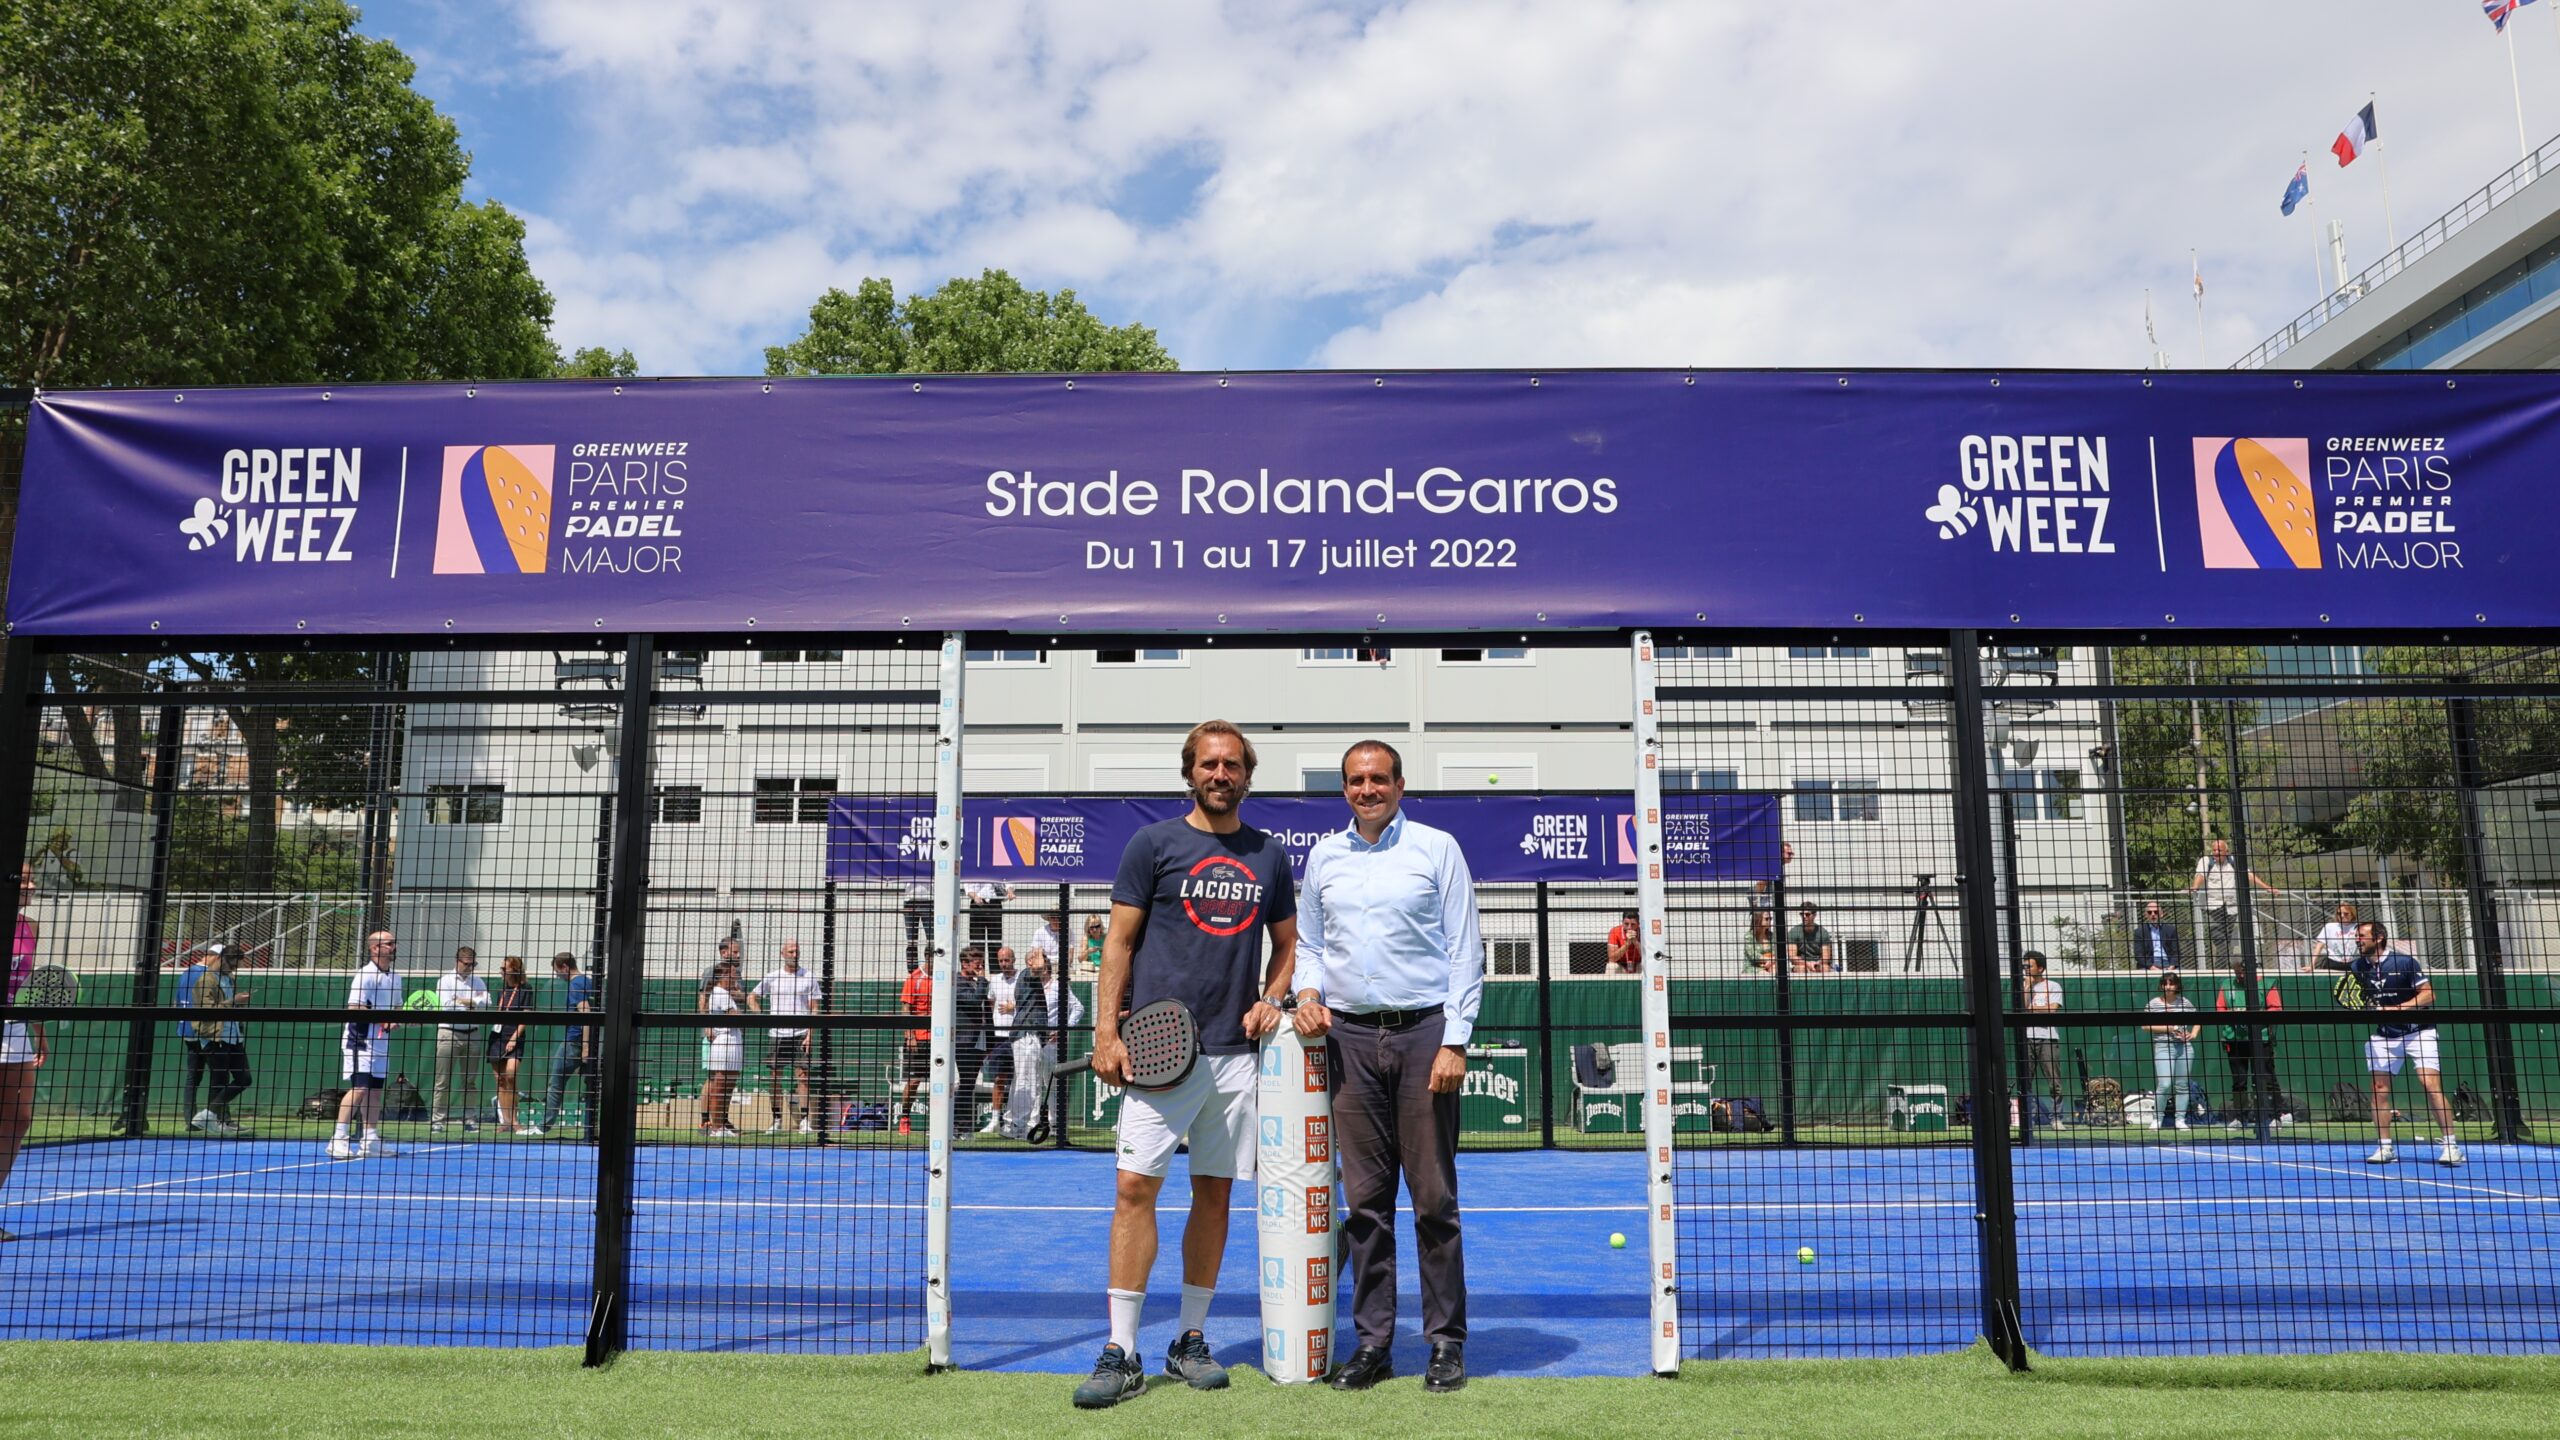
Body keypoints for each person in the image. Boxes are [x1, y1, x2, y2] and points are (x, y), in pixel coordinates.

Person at [1074, 719, 1296, 1410]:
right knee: (1134, 1192)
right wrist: (1107, 1032)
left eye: (1232, 765)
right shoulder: (1153, 845)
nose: (1220, 774)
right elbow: (1119, 943)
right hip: (1157, 1057)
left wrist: (1273, 997)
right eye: (1209, 764)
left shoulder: (1269, 856)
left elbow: (1287, 945)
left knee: (1215, 1196)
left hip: (1235, 1060)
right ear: (1190, 772)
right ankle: (1121, 1350)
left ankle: (1189, 1341)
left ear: (1247, 775)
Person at [1295, 736, 1481, 1394]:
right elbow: (1311, 946)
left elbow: (1464, 949)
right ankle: (1374, 1343)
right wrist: (1308, 994)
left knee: (1434, 1202)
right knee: (1365, 1207)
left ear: (1401, 785)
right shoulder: (1324, 858)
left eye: (1378, 778)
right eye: (1355, 780)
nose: (1367, 789)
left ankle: (1445, 1343)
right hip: (1347, 1040)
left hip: (1425, 1033)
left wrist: (1455, 1040)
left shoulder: (1437, 849)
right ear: (1344, 789)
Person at [2312, 920, 2462, 1166]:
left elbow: (2428, 994)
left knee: (2429, 1083)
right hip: (2384, 1035)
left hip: (2419, 1031)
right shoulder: (2358, 966)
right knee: (2378, 1090)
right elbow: (2358, 995)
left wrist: (2398, 1008)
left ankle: (2451, 1146)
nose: (2357, 940)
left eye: (2362, 936)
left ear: (2379, 938)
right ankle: (2384, 1148)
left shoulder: (2404, 962)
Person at [328, 931, 405, 1159]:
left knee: (374, 1092)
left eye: (394, 943)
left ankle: (370, 1140)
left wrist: (397, 1021)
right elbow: (355, 1008)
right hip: (359, 1041)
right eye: (389, 943)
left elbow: (397, 1009)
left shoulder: (396, 977)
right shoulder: (365, 975)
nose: (394, 947)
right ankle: (338, 1139)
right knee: (360, 1089)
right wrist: (383, 1019)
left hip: (382, 1044)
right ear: (375, 948)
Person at [2, 866, 48, 1240]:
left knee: (18, 1118)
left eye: (34, 879)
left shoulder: (29, 927)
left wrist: (39, 1028)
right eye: (25, 878)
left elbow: (28, 985)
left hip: (15, 1027)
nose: (32, 885)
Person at [1006, 948, 1085, 1143]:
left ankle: (1035, 1124)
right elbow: (1039, 966)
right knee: (1028, 1082)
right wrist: (1039, 949)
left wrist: (1064, 1028)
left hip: (1042, 1039)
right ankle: (1018, 1125)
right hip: (1029, 1036)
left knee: (1040, 1082)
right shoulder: (1028, 976)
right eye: (1033, 959)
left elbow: (1078, 1008)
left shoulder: (1052, 985)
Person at [753, 939, 821, 1135]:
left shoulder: (808, 976)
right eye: (790, 951)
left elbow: (815, 1009)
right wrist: (761, 1017)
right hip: (777, 1035)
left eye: (797, 951)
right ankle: (776, 1120)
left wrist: (810, 1034)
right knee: (774, 1078)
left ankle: (805, 1120)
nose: (794, 954)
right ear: (782, 954)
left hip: (801, 1034)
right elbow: (752, 997)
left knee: (803, 1077)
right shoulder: (773, 977)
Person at [526, 952, 594, 1139]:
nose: (558, 976)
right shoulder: (587, 981)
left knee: (555, 1084)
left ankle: (544, 1126)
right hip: (582, 1041)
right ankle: (590, 1128)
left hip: (575, 1041)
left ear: (564, 967)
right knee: (590, 1085)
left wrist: (586, 1046)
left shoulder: (576, 984)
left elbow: (586, 1013)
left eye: (557, 971)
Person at [191, 943, 254, 1136]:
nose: (233, 968)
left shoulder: (229, 978)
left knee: (244, 1078)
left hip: (234, 1036)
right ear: (221, 958)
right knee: (219, 1081)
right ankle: (215, 1120)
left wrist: (238, 1003)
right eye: (231, 964)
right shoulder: (206, 980)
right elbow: (207, 1009)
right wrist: (233, 1001)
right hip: (214, 1036)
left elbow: (228, 1006)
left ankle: (207, 1116)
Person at [2189, 838, 2278, 968]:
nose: (2216, 853)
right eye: (2214, 850)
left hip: (2233, 908)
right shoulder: (2206, 861)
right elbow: (2200, 875)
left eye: (2219, 850)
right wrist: (2195, 887)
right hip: (2212, 907)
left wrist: (2267, 888)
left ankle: (2236, 966)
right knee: (2220, 941)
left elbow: (2248, 875)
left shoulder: (2234, 861)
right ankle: (2222, 969)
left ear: (2227, 851)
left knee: (2236, 942)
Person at [2214, 968, 2285, 1128]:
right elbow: (2220, 1008)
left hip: (2261, 1038)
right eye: (2236, 971)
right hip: (2235, 1039)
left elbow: (2276, 1008)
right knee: (2239, 1080)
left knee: (2267, 1077)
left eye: (2243, 971)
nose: (2239, 975)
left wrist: (2256, 1016)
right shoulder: (2226, 985)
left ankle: (2275, 1115)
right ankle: (2240, 1117)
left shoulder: (2267, 984)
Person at [431, 946, 488, 1134]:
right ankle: (438, 1120)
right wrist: (473, 1002)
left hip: (473, 1034)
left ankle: (469, 1119)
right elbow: (446, 1006)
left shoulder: (478, 980)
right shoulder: (445, 981)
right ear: (457, 961)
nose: (470, 967)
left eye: (473, 964)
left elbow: (487, 1002)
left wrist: (463, 1001)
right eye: (467, 963)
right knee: (442, 1080)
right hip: (448, 1033)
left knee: (469, 1081)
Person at [699, 958, 754, 1137]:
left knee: (729, 1086)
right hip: (723, 1043)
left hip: (734, 1042)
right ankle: (715, 1127)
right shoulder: (720, 993)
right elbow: (735, 1016)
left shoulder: (726, 993)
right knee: (720, 1085)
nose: (735, 977)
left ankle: (721, 1124)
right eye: (732, 974)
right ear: (722, 976)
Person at [2140, 971, 2200, 1134]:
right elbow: (2145, 1026)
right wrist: (2170, 1028)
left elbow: (2197, 1020)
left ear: (2177, 985)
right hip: (2162, 1047)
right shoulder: (2153, 1004)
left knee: (2182, 1085)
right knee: (2165, 1084)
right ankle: (2157, 1118)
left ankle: (2180, 1119)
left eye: (2171, 983)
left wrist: (2193, 1034)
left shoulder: (2185, 1003)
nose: (2168, 986)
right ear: (2161, 985)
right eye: (2165, 983)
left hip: (2184, 1047)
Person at [486, 956, 534, 1134]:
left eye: (504, 968)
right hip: (497, 1037)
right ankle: (505, 1121)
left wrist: (514, 1038)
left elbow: (526, 1017)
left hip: (514, 1037)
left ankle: (515, 1120)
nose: (502, 971)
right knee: (500, 1080)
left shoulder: (526, 989)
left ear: (514, 970)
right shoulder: (501, 989)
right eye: (501, 968)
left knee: (511, 1076)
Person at [977, 946, 1019, 1136]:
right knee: (999, 1079)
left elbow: (1030, 1003)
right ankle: (995, 1120)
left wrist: (1014, 1007)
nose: (1004, 964)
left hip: (1019, 1036)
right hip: (999, 1038)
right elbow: (990, 1006)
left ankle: (1015, 1121)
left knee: (1020, 1080)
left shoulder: (1022, 979)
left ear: (1014, 960)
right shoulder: (994, 981)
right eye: (1001, 961)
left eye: (1007, 960)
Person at [175, 944, 216, 1131]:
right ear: (213, 957)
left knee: (193, 1077)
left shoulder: (185, 973)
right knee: (219, 1076)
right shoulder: (208, 976)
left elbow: (177, 1002)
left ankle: (190, 1119)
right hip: (205, 1032)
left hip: (186, 1030)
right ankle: (217, 1118)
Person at [2020, 951, 2062, 1127]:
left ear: (2040, 968)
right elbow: (2022, 1008)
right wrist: (2027, 989)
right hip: (2027, 1038)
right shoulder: (2022, 986)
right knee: (2025, 1079)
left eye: (2029, 966)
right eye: (2024, 966)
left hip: (2047, 1038)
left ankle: (2056, 1118)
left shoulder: (2053, 986)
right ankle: (2028, 1118)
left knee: (2054, 1080)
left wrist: (2033, 1009)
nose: (2026, 969)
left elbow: (2052, 1010)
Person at [953, 946, 992, 1133]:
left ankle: (962, 1125)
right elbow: (974, 1000)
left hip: (979, 1040)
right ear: (965, 963)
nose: (980, 966)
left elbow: (985, 1008)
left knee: (969, 1083)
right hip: (964, 1041)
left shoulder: (977, 983)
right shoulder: (957, 982)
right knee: (966, 1082)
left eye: (981, 962)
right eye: (976, 963)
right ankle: (957, 1124)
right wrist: (983, 980)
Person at [897, 952, 933, 1136]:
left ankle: (936, 1123)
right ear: (927, 957)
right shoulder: (914, 978)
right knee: (914, 1081)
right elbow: (906, 1008)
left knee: (939, 1082)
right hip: (918, 1039)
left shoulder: (946, 978)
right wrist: (910, 1035)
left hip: (938, 1040)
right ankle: (904, 1117)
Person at [2131, 900, 2183, 971]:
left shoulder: (2171, 930)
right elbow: (2139, 955)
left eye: (2156, 912)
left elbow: (2176, 952)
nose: (2153, 914)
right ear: (2146, 915)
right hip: (2148, 964)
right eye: (2149, 912)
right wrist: (2152, 968)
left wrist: (2171, 967)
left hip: (2168, 962)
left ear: (2161, 914)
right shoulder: (2139, 932)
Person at [1785, 902, 1833, 975]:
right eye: (1802, 914)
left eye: (1807, 914)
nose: (1804, 916)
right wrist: (1807, 964)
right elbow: (1792, 956)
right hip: (1801, 964)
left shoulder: (1823, 932)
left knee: (1825, 967)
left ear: (1814, 915)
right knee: (1801, 968)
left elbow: (1826, 957)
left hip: (1818, 963)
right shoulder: (1794, 931)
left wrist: (1816, 964)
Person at [966, 881, 1013, 955]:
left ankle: (995, 966)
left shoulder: (997, 868)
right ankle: (977, 965)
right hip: (977, 902)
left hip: (994, 902)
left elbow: (1006, 880)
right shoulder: (974, 869)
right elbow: (968, 887)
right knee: (977, 941)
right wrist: (975, 896)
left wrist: (1010, 891)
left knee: (995, 941)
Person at [2313, 900, 2361, 970]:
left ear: (2352, 914)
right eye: (2339, 913)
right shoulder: (2329, 927)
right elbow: (2319, 946)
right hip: (2333, 963)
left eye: (2346, 914)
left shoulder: (2359, 927)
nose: (2342, 916)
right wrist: (2312, 964)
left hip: (2354, 963)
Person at [1744, 909, 1777, 975]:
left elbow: (1776, 952)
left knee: (1775, 971)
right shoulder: (1749, 936)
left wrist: (1771, 961)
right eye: (1767, 919)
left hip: (1770, 965)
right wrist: (1770, 960)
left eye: (1770, 919)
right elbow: (1754, 956)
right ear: (1758, 920)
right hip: (1753, 967)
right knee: (1765, 974)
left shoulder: (1772, 936)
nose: (1770, 921)